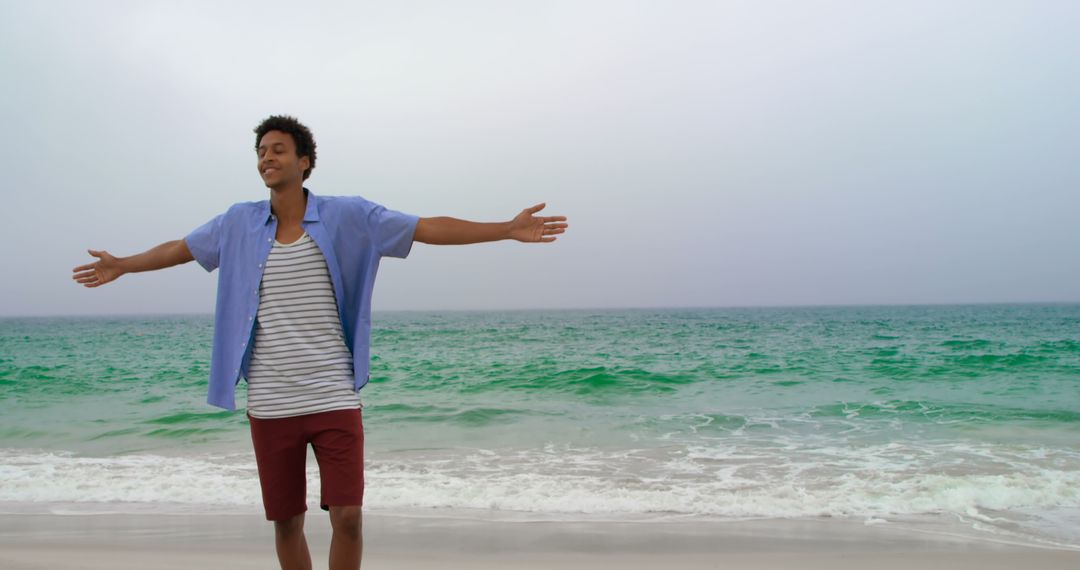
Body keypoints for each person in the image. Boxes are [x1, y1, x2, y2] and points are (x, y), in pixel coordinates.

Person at [70, 114, 569, 570]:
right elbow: (180, 249)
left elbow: (423, 227)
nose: (267, 157)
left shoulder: (348, 215)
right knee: (286, 522)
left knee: (348, 516)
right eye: (261, 151)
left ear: (305, 161)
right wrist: (122, 265)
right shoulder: (237, 223)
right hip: (271, 402)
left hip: (332, 394)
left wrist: (505, 229)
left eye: (279, 149)